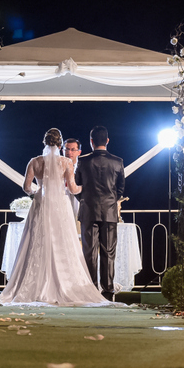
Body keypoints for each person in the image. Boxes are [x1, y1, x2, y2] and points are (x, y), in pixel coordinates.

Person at [0, 128, 111, 306]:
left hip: (41, 205)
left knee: (37, 242)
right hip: (60, 207)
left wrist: (40, 191)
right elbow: (73, 189)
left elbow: (27, 188)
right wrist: (86, 187)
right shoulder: (66, 163)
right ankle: (64, 285)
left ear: (44, 142)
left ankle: (35, 285)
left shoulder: (34, 162)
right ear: (60, 144)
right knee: (62, 243)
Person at [75, 125, 126, 301]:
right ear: (107, 141)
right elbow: (120, 189)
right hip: (110, 212)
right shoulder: (117, 161)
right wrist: (111, 200)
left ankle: (91, 289)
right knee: (109, 252)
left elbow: (76, 187)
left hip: (88, 211)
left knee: (89, 252)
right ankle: (108, 290)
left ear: (91, 142)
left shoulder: (82, 161)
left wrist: (86, 199)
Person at [63, 137, 81, 227]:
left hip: (77, 203)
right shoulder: (56, 166)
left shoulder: (83, 168)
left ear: (79, 152)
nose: (69, 152)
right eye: (67, 149)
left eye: (73, 150)